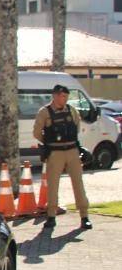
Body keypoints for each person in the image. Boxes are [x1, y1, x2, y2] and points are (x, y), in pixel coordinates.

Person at [33, 84, 91, 230]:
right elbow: (37, 132)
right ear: (55, 96)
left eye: (66, 96)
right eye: (61, 96)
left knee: (78, 183)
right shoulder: (44, 112)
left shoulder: (72, 110)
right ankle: (51, 216)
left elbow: (76, 127)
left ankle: (84, 216)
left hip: (72, 151)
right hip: (55, 152)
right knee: (53, 185)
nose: (64, 99)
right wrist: (49, 143)